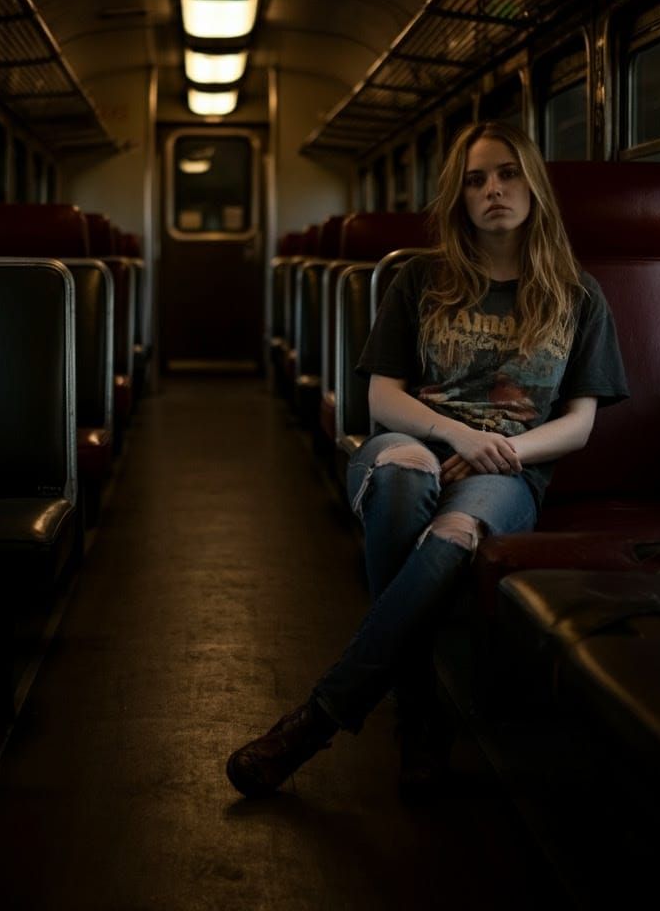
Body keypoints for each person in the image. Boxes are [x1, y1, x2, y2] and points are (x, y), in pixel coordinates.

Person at [226, 121, 629, 800]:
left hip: (510, 471)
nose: (493, 190)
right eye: (476, 180)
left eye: (506, 174)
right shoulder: (422, 279)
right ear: (459, 198)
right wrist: (458, 435)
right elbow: (383, 397)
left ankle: (334, 719)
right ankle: (413, 715)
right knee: (402, 474)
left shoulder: (577, 294)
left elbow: (579, 424)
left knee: (451, 533)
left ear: (533, 185)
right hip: (416, 442)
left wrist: (498, 449)